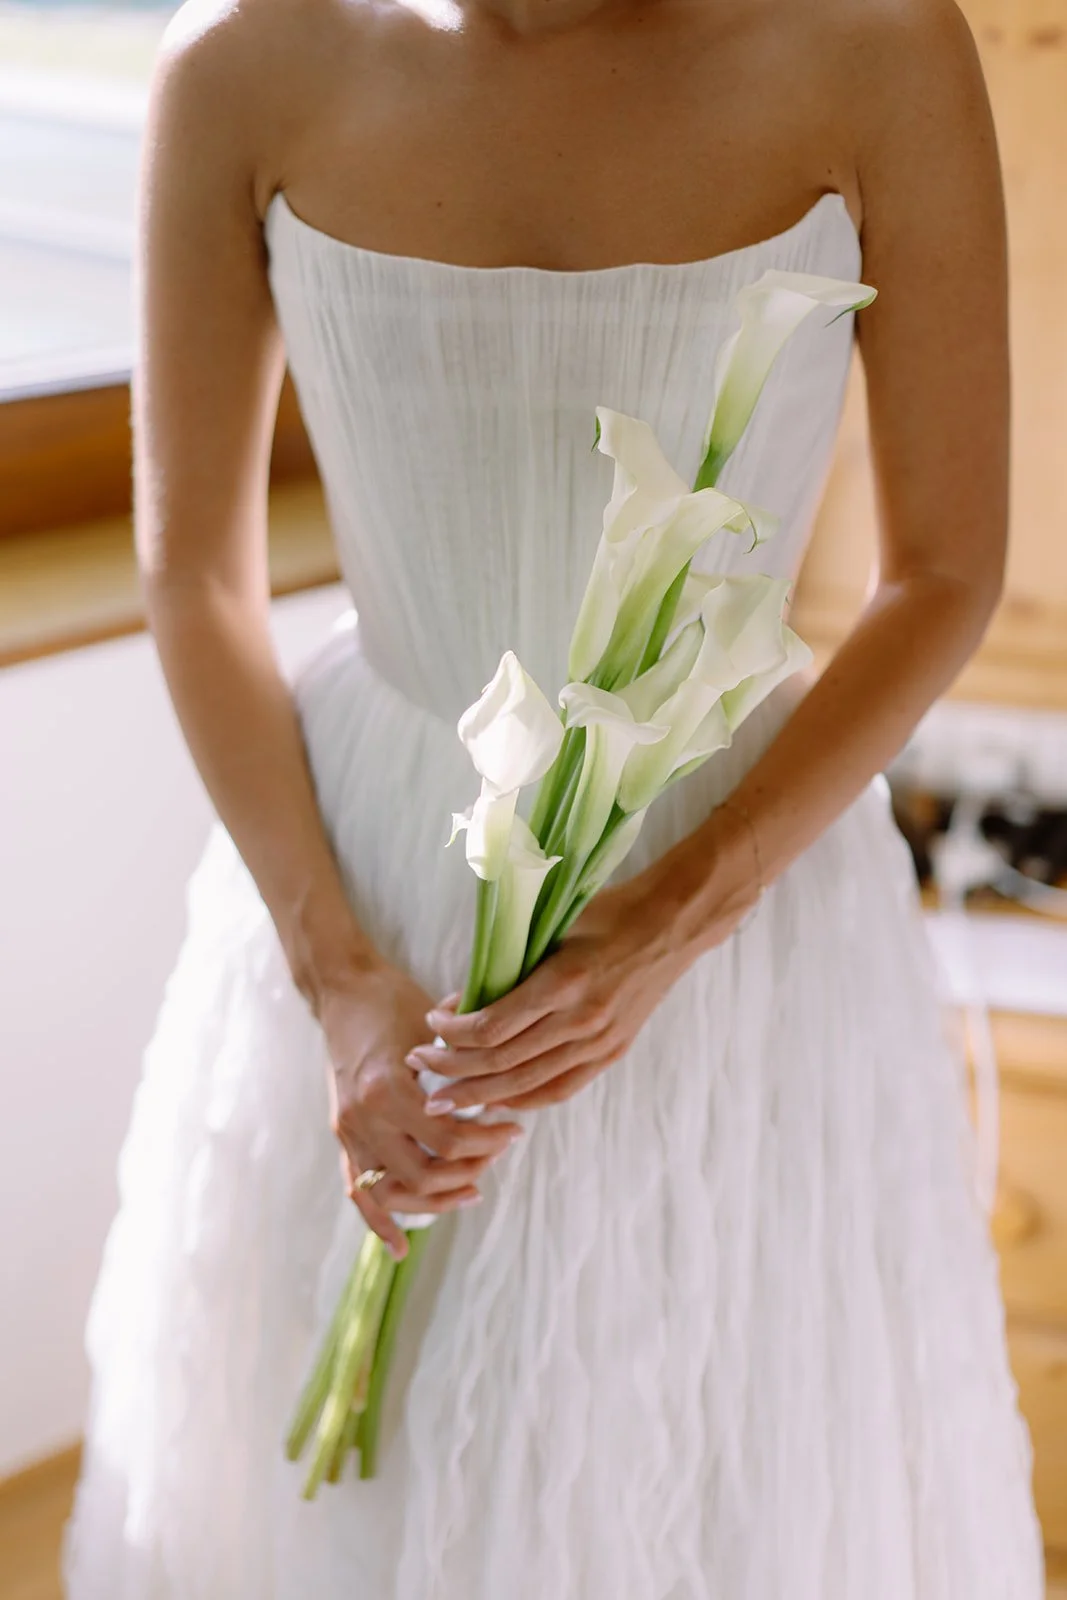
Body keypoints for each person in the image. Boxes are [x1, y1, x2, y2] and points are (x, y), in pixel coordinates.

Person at [63, 0, 1045, 1592]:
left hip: (737, 904)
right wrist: (340, 982)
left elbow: (944, 570)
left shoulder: (871, 46)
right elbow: (193, 577)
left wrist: (671, 916)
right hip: (361, 867)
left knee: (730, 1478)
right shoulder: (239, 64)